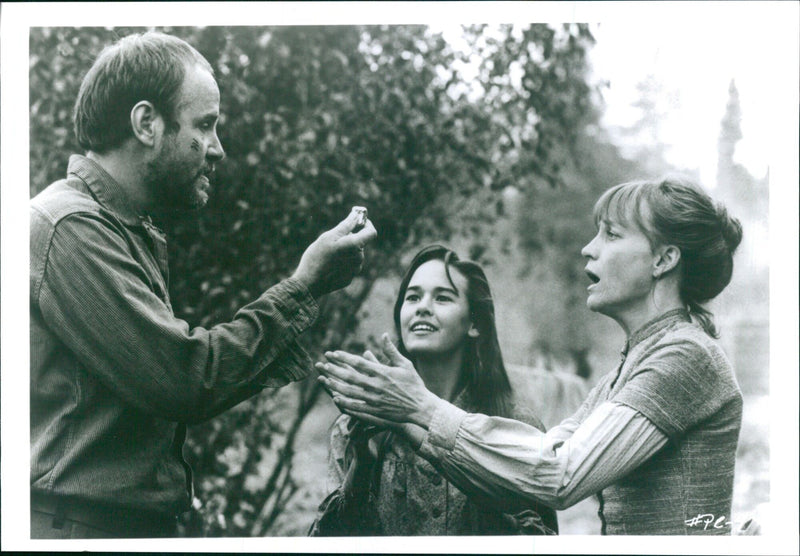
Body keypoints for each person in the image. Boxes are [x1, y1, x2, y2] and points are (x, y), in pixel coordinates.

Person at [30, 31, 377, 539]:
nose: (218, 149)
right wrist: (304, 286)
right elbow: (182, 379)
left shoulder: (118, 226)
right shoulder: (70, 229)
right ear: (147, 123)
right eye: (206, 125)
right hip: (80, 531)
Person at [318, 176, 744, 535]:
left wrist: (418, 405)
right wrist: (405, 417)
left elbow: (560, 475)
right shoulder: (631, 365)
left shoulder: (685, 357)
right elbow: (538, 460)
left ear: (664, 259)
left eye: (611, 234)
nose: (588, 249)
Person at [311, 245, 557, 536]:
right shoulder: (355, 423)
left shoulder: (516, 426)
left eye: (442, 297)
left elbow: (543, 543)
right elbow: (325, 544)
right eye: (412, 297)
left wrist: (481, 473)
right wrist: (363, 466)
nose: (422, 307)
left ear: (475, 323)